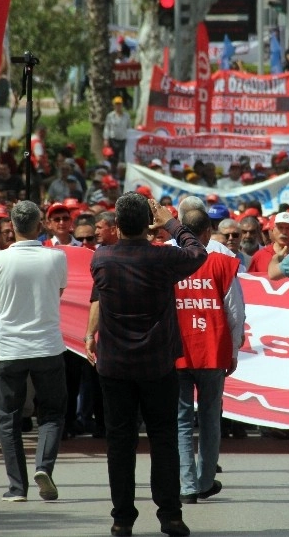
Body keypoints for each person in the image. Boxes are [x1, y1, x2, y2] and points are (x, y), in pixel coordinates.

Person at [84, 193, 207, 537]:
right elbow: (199, 253)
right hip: (156, 364)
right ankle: (170, 515)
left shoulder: (102, 259)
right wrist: (171, 222)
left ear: (118, 225)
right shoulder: (162, 258)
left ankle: (122, 518)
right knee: (164, 440)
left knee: (119, 443)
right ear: (146, 224)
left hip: (116, 366)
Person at [0, 201, 69, 502]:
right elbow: (57, 295)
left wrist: (4, 316)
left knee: (7, 418)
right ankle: (44, 466)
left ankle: (18, 487)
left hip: (8, 347)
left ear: (12, 227)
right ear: (39, 225)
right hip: (47, 345)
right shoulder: (56, 258)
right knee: (52, 413)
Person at [172, 210, 245, 504]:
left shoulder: (170, 263)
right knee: (211, 418)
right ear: (207, 233)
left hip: (177, 351)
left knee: (181, 419)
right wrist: (235, 350)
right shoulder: (223, 263)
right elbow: (235, 312)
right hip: (214, 352)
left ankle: (187, 485)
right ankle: (203, 482)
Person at [104, 96, 130, 170]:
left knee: (122, 160)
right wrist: (106, 139)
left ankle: (120, 175)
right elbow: (107, 128)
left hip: (123, 141)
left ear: (122, 105)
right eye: (116, 104)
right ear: (114, 105)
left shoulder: (126, 116)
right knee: (112, 159)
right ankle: (112, 173)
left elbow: (129, 128)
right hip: (113, 140)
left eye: (119, 104)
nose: (118, 106)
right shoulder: (110, 116)